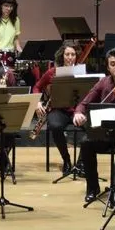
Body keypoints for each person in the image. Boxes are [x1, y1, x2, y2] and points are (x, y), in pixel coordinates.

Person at [72, 47, 115, 204]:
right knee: (86, 143)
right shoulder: (103, 82)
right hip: (105, 133)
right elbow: (84, 102)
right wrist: (79, 113)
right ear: (108, 67)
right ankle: (92, 187)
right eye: (113, 64)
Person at [33, 40, 80, 173]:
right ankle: (66, 159)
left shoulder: (81, 71)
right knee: (55, 126)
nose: (70, 58)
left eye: (73, 55)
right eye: (67, 54)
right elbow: (37, 86)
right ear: (62, 56)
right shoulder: (52, 72)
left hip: (77, 110)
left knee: (92, 125)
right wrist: (37, 102)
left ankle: (82, 162)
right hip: (59, 109)